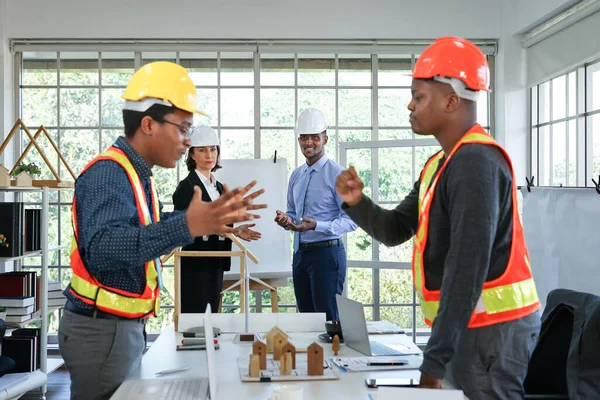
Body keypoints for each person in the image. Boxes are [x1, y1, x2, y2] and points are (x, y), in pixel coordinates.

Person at [335, 37, 541, 399]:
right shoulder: (442, 164)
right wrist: (358, 203)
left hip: (491, 331)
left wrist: (433, 363)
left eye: (419, 96)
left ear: (451, 100)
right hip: (469, 327)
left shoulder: (476, 163)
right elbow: (395, 229)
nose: (410, 105)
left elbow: (466, 268)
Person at [58, 61, 266, 400]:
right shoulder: (109, 173)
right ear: (148, 124)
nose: (187, 140)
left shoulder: (136, 175)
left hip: (117, 328)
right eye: (183, 129)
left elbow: (139, 235)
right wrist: (187, 224)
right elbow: (104, 249)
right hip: (101, 330)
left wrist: (206, 220)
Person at [274, 107, 357, 322]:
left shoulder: (339, 174)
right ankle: (311, 357)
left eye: (314, 138)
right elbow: (293, 213)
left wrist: (317, 226)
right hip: (301, 255)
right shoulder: (297, 175)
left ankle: (332, 357)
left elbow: (352, 220)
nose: (308, 143)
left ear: (325, 139)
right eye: (303, 138)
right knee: (307, 322)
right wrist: (286, 221)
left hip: (327, 256)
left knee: (328, 321)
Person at [172, 124, 261, 313]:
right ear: (192, 154)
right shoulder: (186, 187)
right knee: (195, 322)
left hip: (217, 262)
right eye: (202, 150)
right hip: (195, 264)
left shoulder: (220, 188)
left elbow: (222, 225)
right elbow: (184, 226)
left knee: (212, 319)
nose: (209, 155)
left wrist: (236, 229)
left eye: (213, 149)